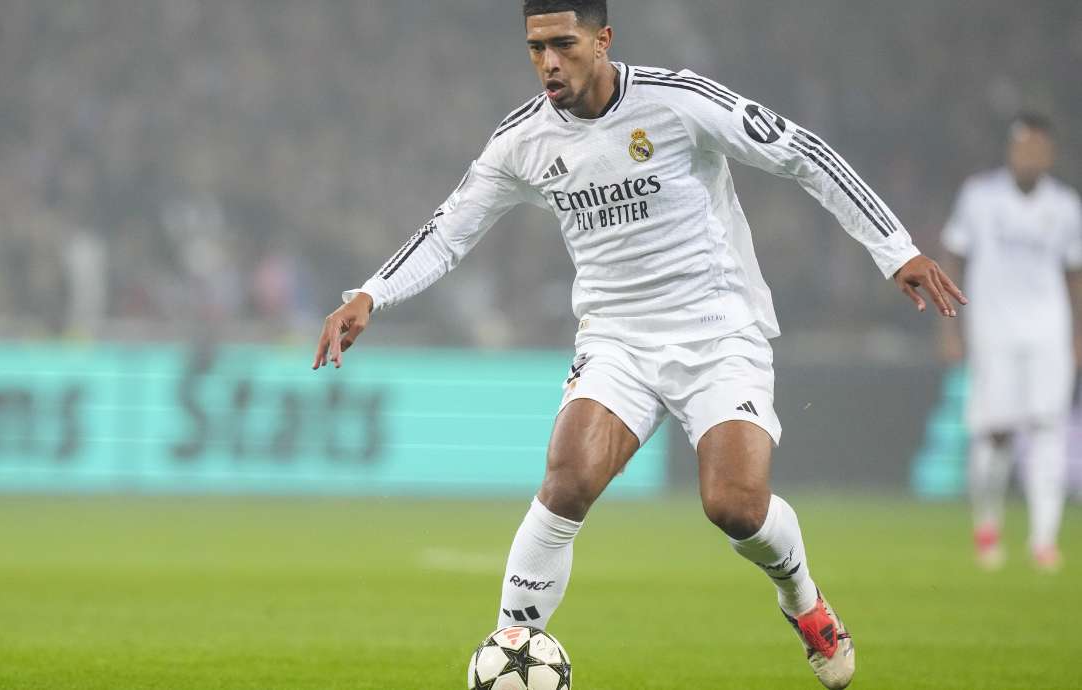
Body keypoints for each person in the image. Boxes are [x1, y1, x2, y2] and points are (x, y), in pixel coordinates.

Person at [313, 2, 965, 687]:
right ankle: (513, 648)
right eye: (536, 49)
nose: (548, 63)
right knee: (566, 479)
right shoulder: (523, 140)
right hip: (616, 336)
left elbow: (802, 153)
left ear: (603, 39)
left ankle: (804, 601)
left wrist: (896, 249)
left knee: (735, 507)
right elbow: (449, 231)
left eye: (563, 44)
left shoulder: (678, 101)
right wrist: (370, 293)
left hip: (717, 328)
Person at [940, 113, 1082, 573]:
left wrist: (1078, 334)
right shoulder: (980, 198)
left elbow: (1074, 274)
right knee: (995, 433)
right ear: (1010, 150)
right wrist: (950, 327)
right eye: (1022, 148)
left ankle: (1044, 540)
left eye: (1038, 149)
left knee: (1047, 430)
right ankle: (987, 526)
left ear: (1049, 153)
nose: (1030, 157)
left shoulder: (1065, 206)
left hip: (1049, 331)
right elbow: (954, 256)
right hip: (994, 329)